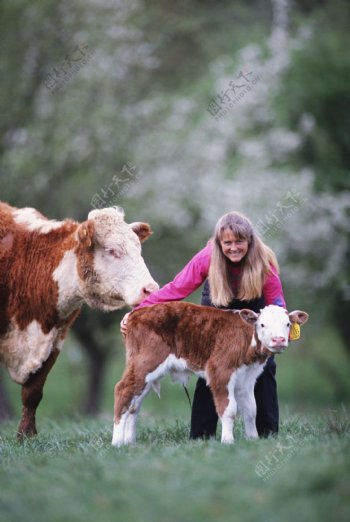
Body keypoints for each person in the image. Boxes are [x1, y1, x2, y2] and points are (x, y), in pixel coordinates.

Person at [120, 211, 286, 439]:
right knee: (211, 364)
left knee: (264, 366)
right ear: (219, 243)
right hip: (219, 300)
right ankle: (201, 435)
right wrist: (137, 311)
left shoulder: (263, 261)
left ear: (250, 241)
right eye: (227, 243)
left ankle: (267, 433)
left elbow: (276, 301)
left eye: (239, 242)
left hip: (254, 307)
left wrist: (282, 326)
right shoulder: (206, 258)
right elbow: (177, 288)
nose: (233, 248)